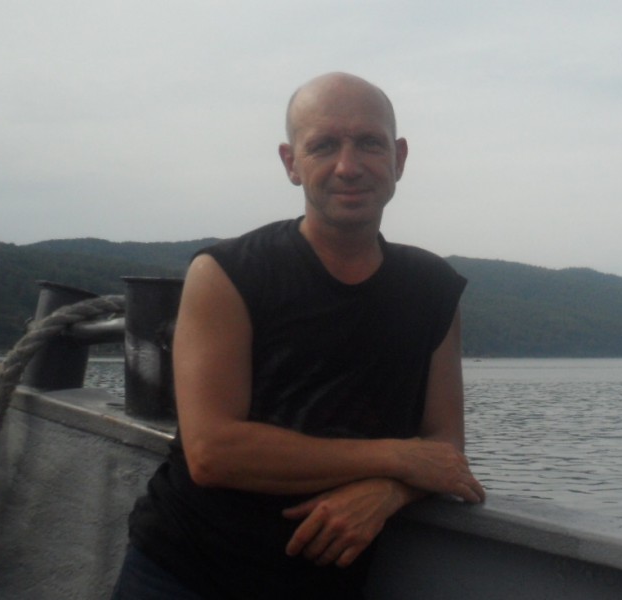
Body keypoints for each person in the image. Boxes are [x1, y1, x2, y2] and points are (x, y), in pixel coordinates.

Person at [111, 72, 485, 600]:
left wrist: (390, 491)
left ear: (399, 158)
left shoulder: (433, 288)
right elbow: (213, 451)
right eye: (324, 146)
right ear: (291, 163)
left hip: (326, 584)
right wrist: (397, 459)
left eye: (369, 143)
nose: (348, 166)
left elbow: (443, 445)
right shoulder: (228, 273)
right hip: (185, 573)